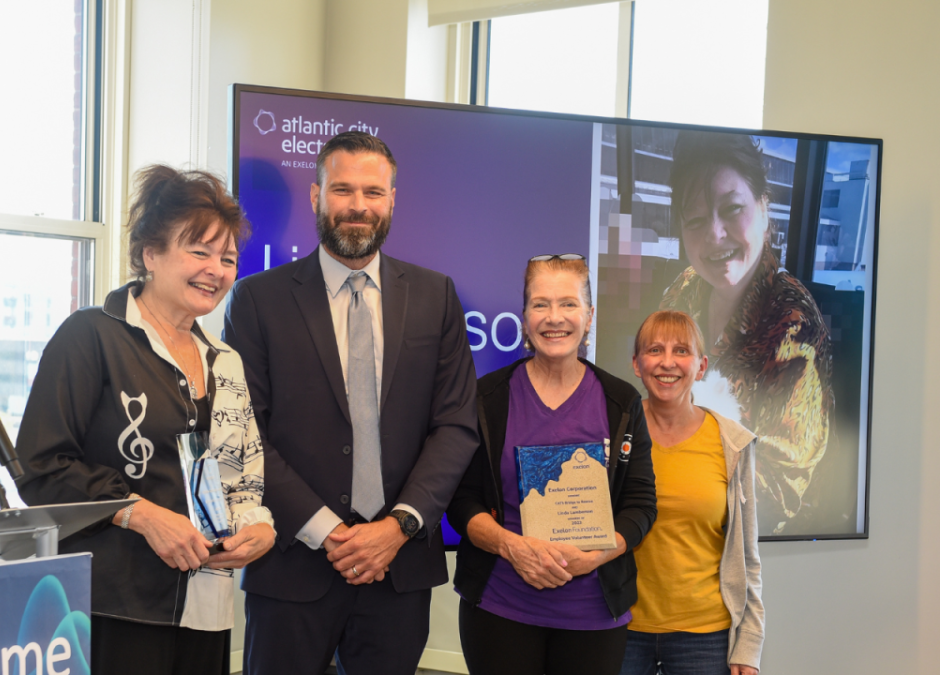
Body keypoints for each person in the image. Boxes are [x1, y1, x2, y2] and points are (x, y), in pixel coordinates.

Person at [222, 131, 479, 675]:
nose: (358, 206)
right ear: (316, 196)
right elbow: (246, 432)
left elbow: (455, 425)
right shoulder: (258, 299)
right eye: (342, 190)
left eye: (372, 192)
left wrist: (397, 528)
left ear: (392, 201)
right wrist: (329, 531)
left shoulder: (436, 297)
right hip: (292, 566)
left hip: (398, 568)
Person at [14, 165, 276, 675]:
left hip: (205, 606)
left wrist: (257, 528)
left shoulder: (226, 360)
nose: (216, 270)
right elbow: (41, 466)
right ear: (150, 255)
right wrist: (143, 514)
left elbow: (243, 478)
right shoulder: (91, 335)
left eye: (227, 258)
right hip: (109, 604)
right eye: (198, 251)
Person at [447, 254, 657, 675]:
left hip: (593, 615)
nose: (554, 318)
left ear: (589, 315)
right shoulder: (487, 398)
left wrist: (595, 557)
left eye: (569, 303)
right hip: (501, 607)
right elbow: (461, 501)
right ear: (524, 316)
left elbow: (641, 506)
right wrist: (513, 547)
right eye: (540, 304)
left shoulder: (621, 403)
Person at [660, 130, 833, 534]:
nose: (714, 235)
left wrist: (666, 476)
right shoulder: (684, 288)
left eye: (732, 208)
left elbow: (780, 491)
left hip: (754, 547)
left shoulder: (794, 324)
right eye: (697, 220)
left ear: (764, 207)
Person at [620, 309, 764, 675]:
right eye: (655, 350)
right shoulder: (612, 435)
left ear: (700, 367)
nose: (667, 362)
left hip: (705, 636)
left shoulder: (731, 442)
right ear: (637, 364)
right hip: (619, 627)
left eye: (681, 351)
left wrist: (748, 646)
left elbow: (747, 555)